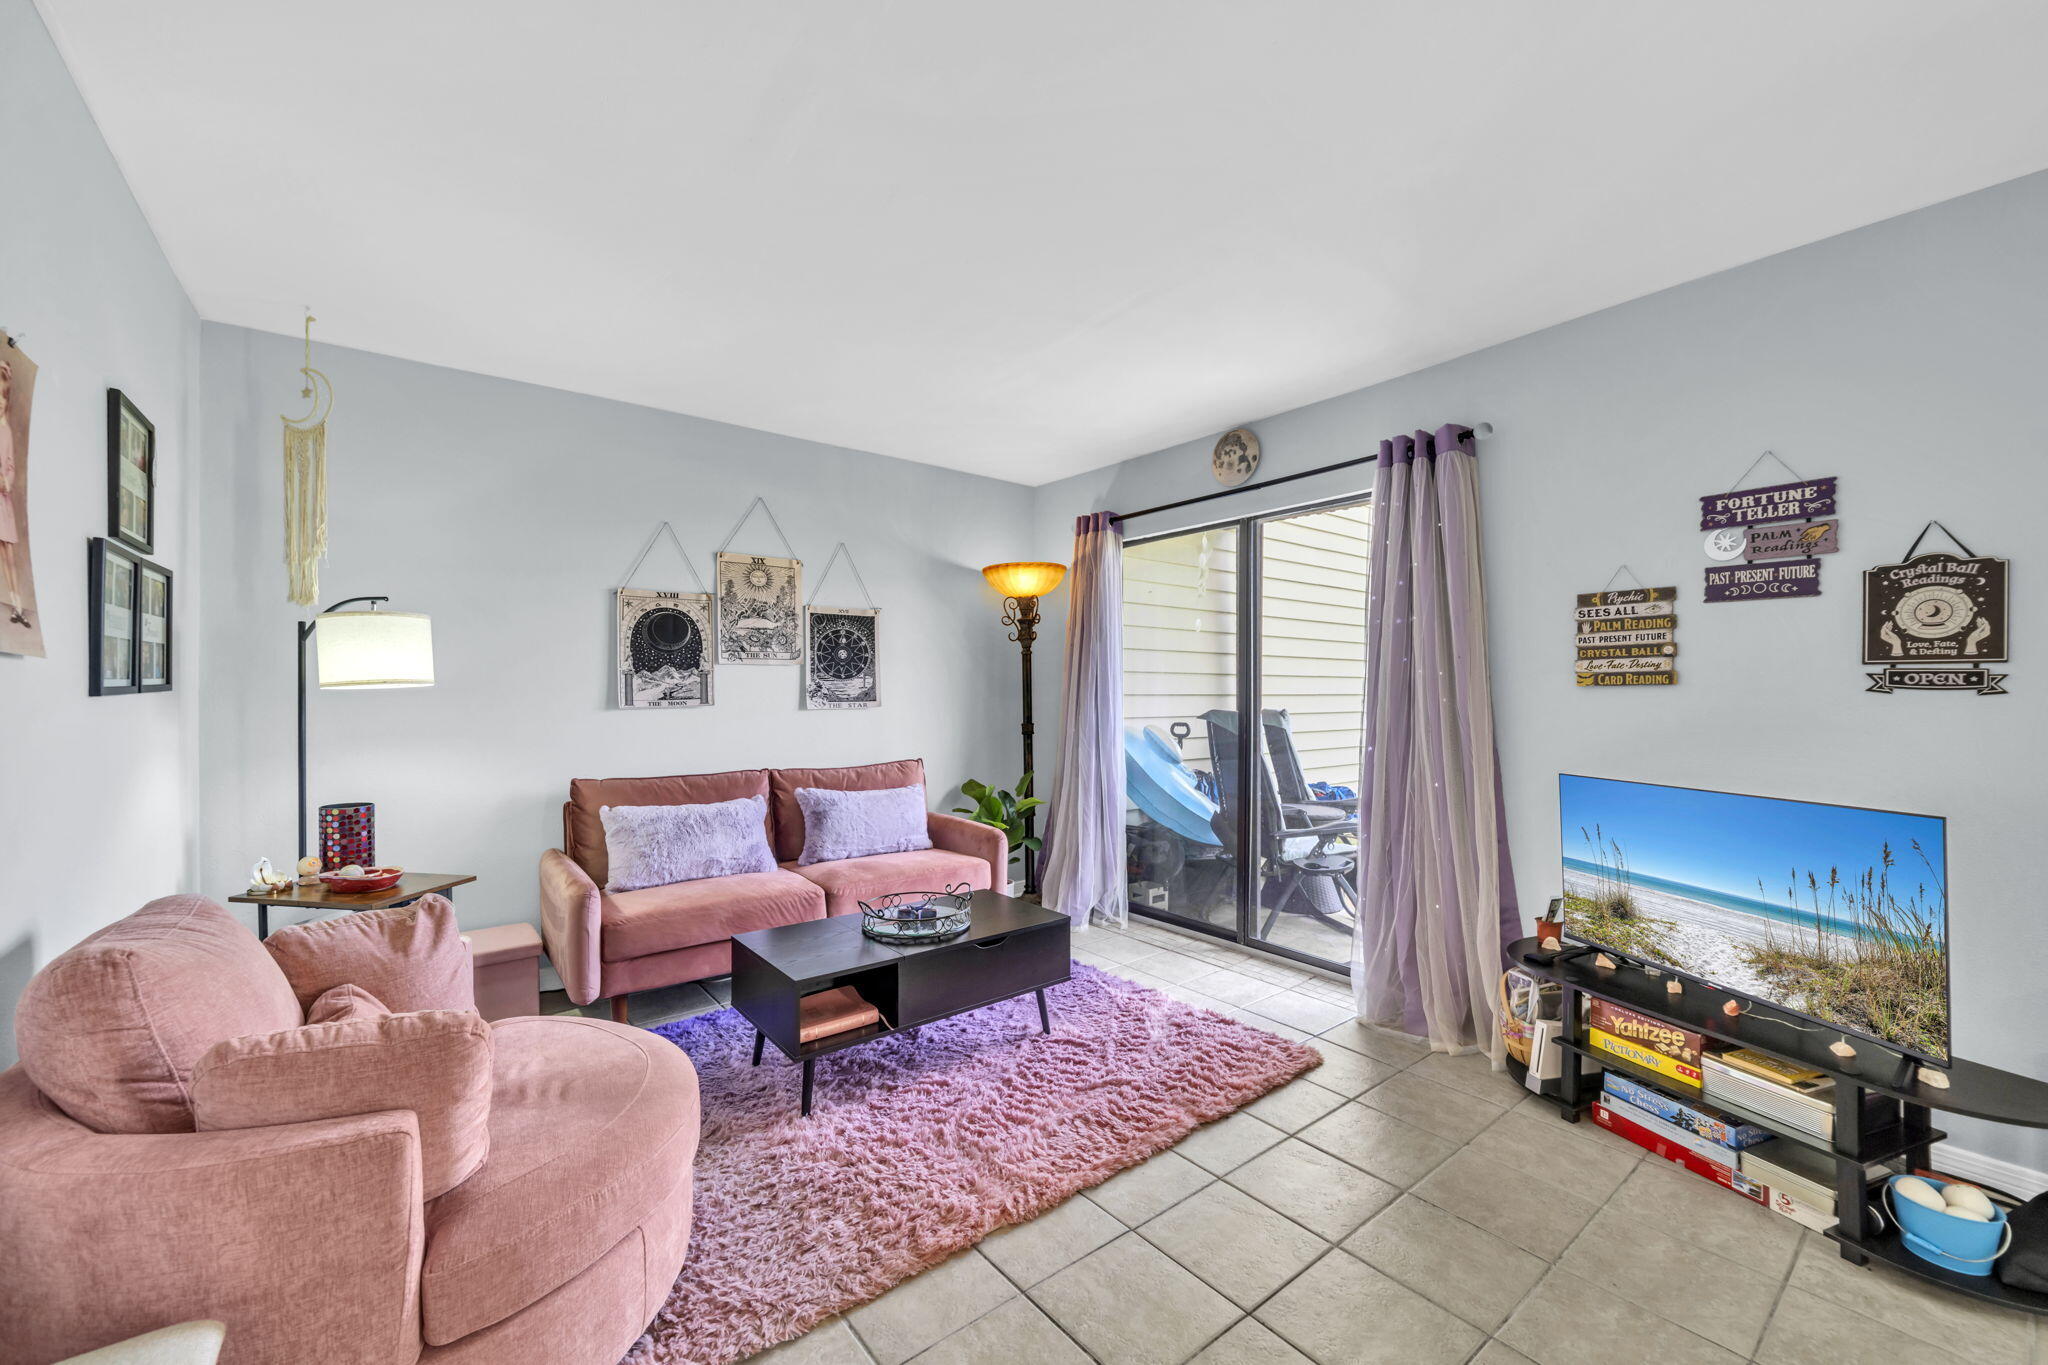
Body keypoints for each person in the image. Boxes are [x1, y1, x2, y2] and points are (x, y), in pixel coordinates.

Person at [0, 360, 28, 627]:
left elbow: (10, 466)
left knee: (9, 553)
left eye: (3, 397)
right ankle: (13, 603)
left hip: (3, 500)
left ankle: (17, 604)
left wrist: (6, 483)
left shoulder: (6, 431)